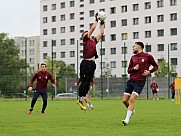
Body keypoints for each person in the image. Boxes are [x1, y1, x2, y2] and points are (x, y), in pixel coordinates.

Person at [122, 42, 158, 126]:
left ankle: (126, 119)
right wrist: (134, 68)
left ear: (138, 47)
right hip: (131, 81)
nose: (133, 48)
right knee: (124, 100)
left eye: (134, 46)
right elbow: (128, 70)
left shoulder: (148, 56)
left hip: (140, 82)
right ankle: (131, 111)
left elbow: (156, 66)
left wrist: (149, 71)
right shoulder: (133, 57)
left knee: (132, 99)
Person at [77, 12, 105, 110]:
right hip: (86, 63)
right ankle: (80, 98)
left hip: (92, 63)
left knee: (88, 83)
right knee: (84, 81)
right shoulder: (85, 39)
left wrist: (102, 22)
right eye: (86, 33)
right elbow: (92, 29)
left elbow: (101, 33)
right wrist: (96, 19)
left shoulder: (93, 41)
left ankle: (83, 96)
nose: (87, 33)